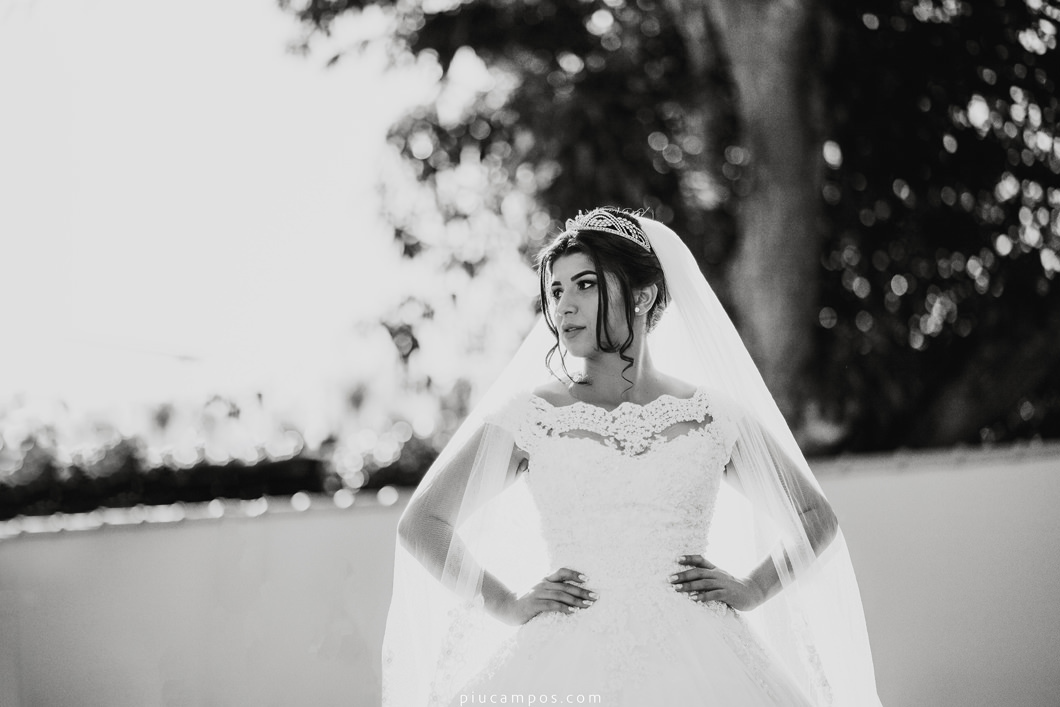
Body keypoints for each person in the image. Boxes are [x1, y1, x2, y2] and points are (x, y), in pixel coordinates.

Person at [382, 208, 882, 706]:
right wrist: (506, 603)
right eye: (556, 291)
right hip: (565, 662)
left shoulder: (713, 415)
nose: (564, 306)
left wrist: (753, 588)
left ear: (642, 297)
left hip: (707, 660)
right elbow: (422, 523)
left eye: (585, 285)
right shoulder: (531, 415)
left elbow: (816, 516)